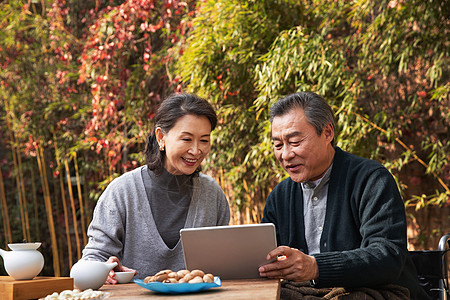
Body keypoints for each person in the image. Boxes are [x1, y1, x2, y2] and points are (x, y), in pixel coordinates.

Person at [259, 92, 428, 299]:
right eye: (278, 145)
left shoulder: (371, 180)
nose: (285, 154)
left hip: (378, 293)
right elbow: (264, 259)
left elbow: (387, 256)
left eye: (294, 142)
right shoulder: (279, 196)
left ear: (327, 132)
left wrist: (315, 267)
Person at [81, 93, 230, 284]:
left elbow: (224, 262)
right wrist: (105, 269)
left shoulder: (212, 194)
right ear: (161, 137)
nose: (196, 150)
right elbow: (92, 259)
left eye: (204, 140)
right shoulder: (122, 192)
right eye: (186, 139)